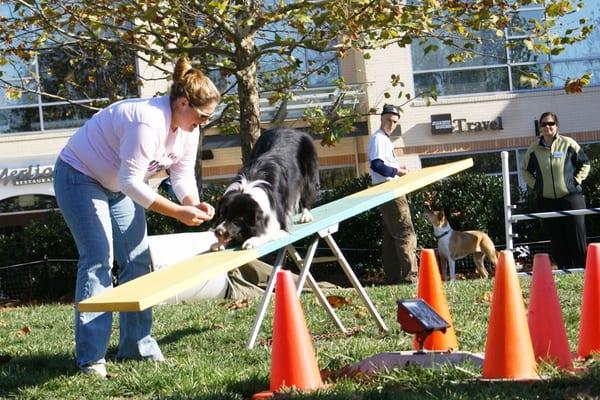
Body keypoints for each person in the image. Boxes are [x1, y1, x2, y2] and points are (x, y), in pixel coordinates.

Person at [53, 57, 221, 377]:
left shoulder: (188, 129)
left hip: (117, 186)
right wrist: (177, 212)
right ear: (183, 103)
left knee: (138, 260)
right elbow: (132, 183)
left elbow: (182, 175)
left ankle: (136, 347)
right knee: (99, 258)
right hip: (79, 176)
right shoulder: (148, 121)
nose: (204, 122)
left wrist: (193, 203)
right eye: (202, 115)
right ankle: (91, 360)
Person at [521, 112, 591, 269]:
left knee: (577, 237)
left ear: (556, 125)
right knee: (557, 238)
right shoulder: (533, 149)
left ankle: (583, 272)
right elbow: (524, 170)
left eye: (551, 123)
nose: (547, 127)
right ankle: (563, 271)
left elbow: (585, 163)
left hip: (571, 198)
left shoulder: (568, 143)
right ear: (540, 127)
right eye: (544, 124)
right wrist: (536, 186)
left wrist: (576, 180)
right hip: (547, 201)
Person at [367, 104, 418, 284]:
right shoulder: (379, 139)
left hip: (385, 191)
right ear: (381, 119)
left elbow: (381, 165)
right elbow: (377, 165)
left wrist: (397, 168)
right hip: (390, 191)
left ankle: (394, 276)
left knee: (391, 235)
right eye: (388, 119)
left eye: (395, 121)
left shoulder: (382, 139)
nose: (391, 123)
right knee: (406, 232)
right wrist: (397, 172)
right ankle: (410, 277)